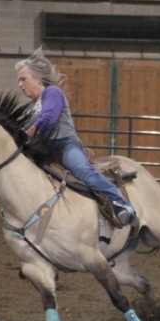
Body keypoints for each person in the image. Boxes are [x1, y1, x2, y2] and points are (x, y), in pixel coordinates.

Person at [15, 49, 137, 226]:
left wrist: (27, 134)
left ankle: (122, 205)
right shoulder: (31, 108)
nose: (20, 84)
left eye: (23, 79)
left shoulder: (52, 92)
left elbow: (49, 119)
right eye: (19, 81)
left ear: (38, 78)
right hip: (43, 151)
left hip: (64, 145)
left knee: (82, 171)